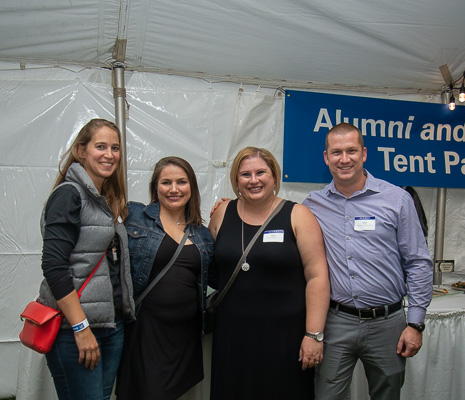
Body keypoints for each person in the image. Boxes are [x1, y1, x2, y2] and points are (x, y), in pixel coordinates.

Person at [303, 123, 434, 400]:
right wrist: (236, 204)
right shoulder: (312, 205)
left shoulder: (397, 199)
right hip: (336, 322)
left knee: (387, 395)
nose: (344, 159)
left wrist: (415, 323)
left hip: (388, 324)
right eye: (336, 152)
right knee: (327, 395)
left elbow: (418, 262)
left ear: (364, 153)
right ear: (326, 158)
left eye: (351, 150)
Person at [208, 147, 330, 400]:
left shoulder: (298, 215)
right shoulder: (222, 212)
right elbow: (207, 264)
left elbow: (317, 276)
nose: (254, 180)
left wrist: (314, 335)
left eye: (261, 172)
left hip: (285, 337)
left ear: (274, 176)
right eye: (245, 175)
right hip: (233, 336)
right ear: (236, 181)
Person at [37, 118, 135, 400]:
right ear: (81, 151)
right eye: (100, 146)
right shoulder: (69, 195)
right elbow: (54, 267)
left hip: (110, 326)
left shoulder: (105, 199)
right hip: (75, 330)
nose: (109, 154)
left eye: (115, 148)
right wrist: (81, 329)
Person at [116, 156, 214, 400]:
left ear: (191, 187)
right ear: (155, 187)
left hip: (184, 335)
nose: (173, 189)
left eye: (181, 182)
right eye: (166, 182)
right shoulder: (133, 215)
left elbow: (214, 276)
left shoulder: (202, 233)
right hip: (145, 330)